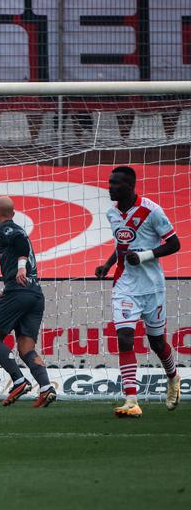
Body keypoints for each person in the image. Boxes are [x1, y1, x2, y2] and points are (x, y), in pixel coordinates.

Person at [94, 166, 181, 417]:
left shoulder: (152, 211)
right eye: (109, 182)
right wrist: (108, 265)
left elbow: (175, 244)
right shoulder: (112, 213)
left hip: (152, 288)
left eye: (115, 183)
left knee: (156, 342)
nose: (110, 187)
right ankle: (131, 399)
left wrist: (143, 256)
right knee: (124, 338)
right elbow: (123, 244)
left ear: (130, 186)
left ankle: (173, 377)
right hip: (125, 286)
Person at [0, 197, 56, 407]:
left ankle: (18, 380)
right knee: (26, 348)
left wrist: (21, 267)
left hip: (19, 293)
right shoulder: (16, 227)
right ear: (13, 213)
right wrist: (6, 289)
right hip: (34, 294)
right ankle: (45, 387)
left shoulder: (5, 228)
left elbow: (20, 242)